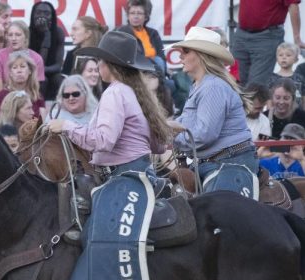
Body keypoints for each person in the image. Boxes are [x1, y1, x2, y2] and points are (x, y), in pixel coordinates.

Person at [47, 31, 172, 181]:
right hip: (142, 172)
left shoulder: (115, 92)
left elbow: (103, 141)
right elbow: (158, 146)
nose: (98, 64)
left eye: (100, 60)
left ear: (109, 64)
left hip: (123, 176)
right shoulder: (137, 92)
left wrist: (66, 126)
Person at [169, 27, 259, 179]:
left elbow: (204, 135)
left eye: (186, 51)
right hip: (224, 161)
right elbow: (188, 124)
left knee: (217, 202)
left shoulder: (212, 86)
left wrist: (171, 137)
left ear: (201, 56)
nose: (180, 56)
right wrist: (168, 128)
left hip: (229, 163)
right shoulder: (203, 85)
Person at [233, 0, 305, 86]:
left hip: (266, 36)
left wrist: (297, 38)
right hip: (242, 33)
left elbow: (293, 6)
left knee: (256, 86)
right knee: (235, 80)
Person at [0, 21, 46, 93]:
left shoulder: (37, 59)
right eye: (10, 35)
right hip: (6, 98)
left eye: (18, 35)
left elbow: (36, 89)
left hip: (29, 97)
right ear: (6, 37)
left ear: (26, 37)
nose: (13, 38)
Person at [116, 0, 166, 74]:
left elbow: (161, 55)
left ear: (146, 16)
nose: (135, 16)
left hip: (155, 69)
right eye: (132, 13)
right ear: (128, 16)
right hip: (134, 70)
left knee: (159, 61)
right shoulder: (122, 31)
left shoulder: (153, 33)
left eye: (139, 13)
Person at [28, 1, 64, 100]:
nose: (42, 16)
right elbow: (38, 63)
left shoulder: (58, 32)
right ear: (33, 15)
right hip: (30, 72)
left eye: (46, 13)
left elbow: (58, 66)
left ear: (52, 17)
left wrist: (47, 34)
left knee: (59, 79)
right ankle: (39, 108)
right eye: (38, 13)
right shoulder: (26, 33)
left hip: (50, 71)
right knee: (43, 80)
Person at [0, 51, 45, 119]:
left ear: (30, 71)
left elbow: (42, 123)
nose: (19, 71)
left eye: (22, 66)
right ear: (10, 73)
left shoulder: (37, 96)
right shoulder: (2, 95)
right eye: (15, 67)